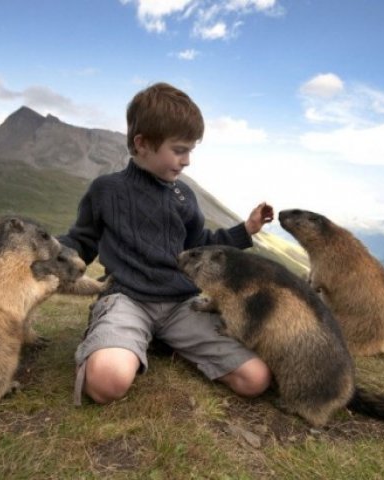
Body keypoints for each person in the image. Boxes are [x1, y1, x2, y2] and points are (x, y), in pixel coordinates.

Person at [59, 82, 274, 404]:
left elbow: (201, 245)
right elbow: (81, 241)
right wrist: (45, 252)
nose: (187, 161)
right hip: (126, 299)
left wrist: (246, 230)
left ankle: (165, 341)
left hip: (182, 305)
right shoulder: (105, 190)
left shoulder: (184, 195)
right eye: (179, 150)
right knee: (106, 384)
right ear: (142, 143)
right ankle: (118, 336)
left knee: (255, 379)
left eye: (191, 150)